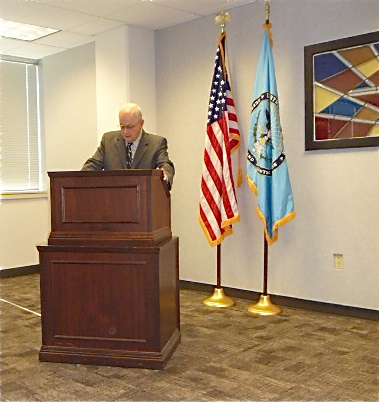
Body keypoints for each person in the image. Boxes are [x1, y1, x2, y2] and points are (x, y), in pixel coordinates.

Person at [81, 103, 175, 188]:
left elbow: (165, 164)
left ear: (141, 123)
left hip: (142, 198)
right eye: (122, 126)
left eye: (130, 127)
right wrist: (79, 179)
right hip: (112, 199)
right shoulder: (108, 140)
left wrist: (165, 174)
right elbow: (93, 164)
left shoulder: (156, 143)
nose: (125, 131)